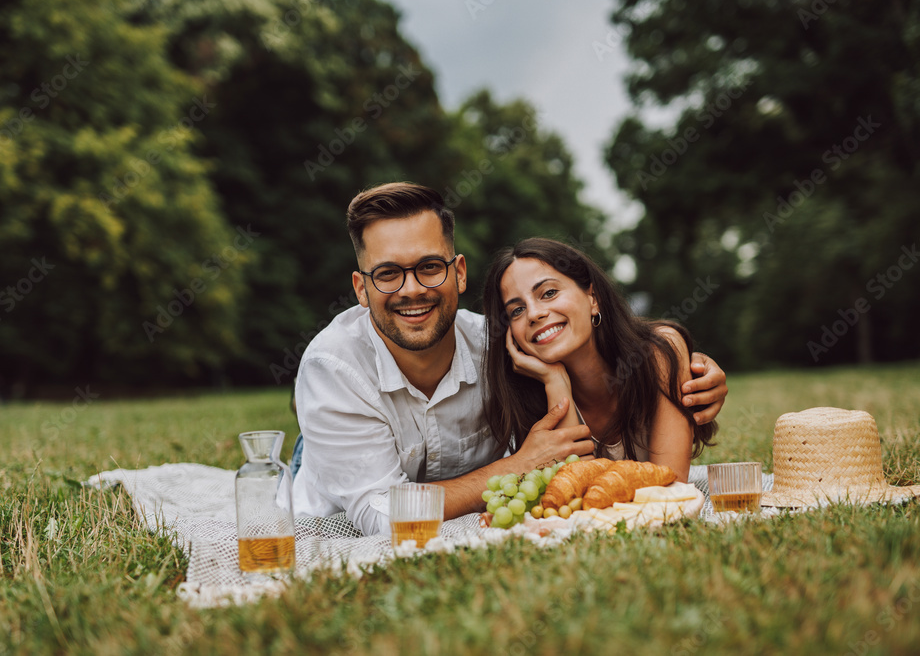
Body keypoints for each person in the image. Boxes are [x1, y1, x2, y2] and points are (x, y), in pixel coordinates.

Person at [290, 182, 727, 535]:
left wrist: (691, 370)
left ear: (458, 272)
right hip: (339, 476)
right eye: (387, 274)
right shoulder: (333, 367)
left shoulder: (502, 349)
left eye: (428, 267)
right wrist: (519, 466)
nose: (411, 290)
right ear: (360, 289)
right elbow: (382, 516)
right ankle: (309, 442)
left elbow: (583, 471)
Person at [483, 238, 717, 482]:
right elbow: (577, 493)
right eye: (516, 310)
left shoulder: (659, 351)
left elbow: (670, 485)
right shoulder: (527, 397)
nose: (534, 313)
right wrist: (555, 381)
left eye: (549, 293)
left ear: (593, 298)